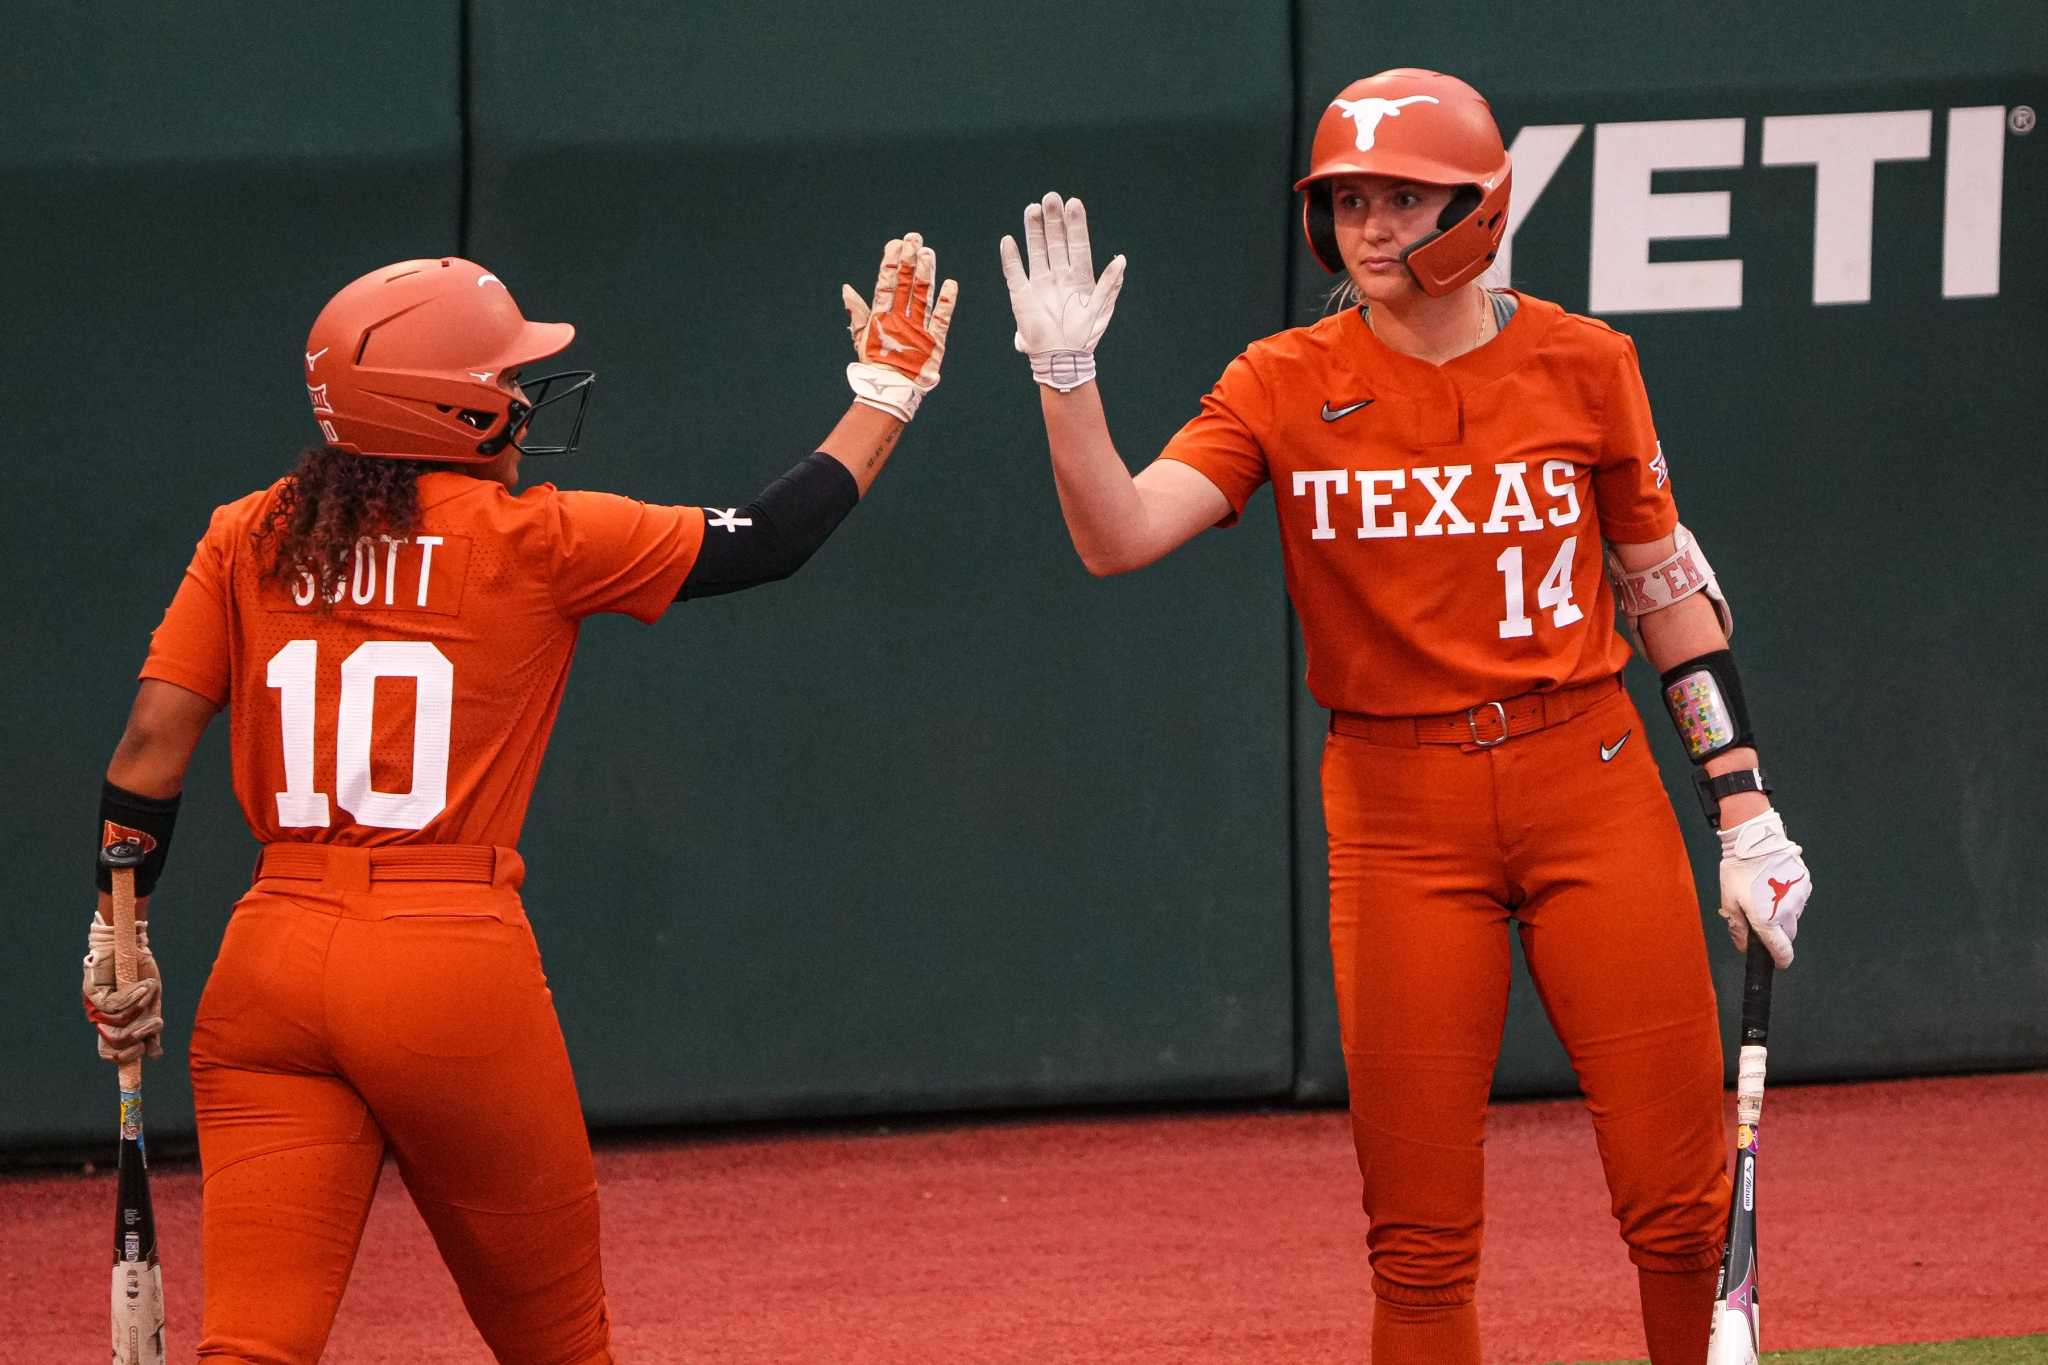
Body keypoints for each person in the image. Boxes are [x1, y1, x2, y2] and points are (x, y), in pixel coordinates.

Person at [998, 68, 1812, 1365]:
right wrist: (1065, 376)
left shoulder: (1586, 364)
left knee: (1678, 1209)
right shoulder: (1281, 378)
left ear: (1479, 207)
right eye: (1348, 202)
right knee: (1419, 1242)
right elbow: (1118, 534)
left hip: (1588, 777)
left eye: (1402, 198)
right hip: (1395, 812)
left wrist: (1744, 805)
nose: (1371, 227)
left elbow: (1666, 597)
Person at [79, 240, 959, 1364]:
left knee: (253, 1346)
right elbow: (773, 537)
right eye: (500, 379)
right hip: (446, 957)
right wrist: (887, 393)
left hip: (269, 962)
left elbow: (150, 749)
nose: (520, 398)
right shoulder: (539, 536)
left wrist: (117, 932)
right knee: (561, 1346)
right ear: (442, 407)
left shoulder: (246, 531)